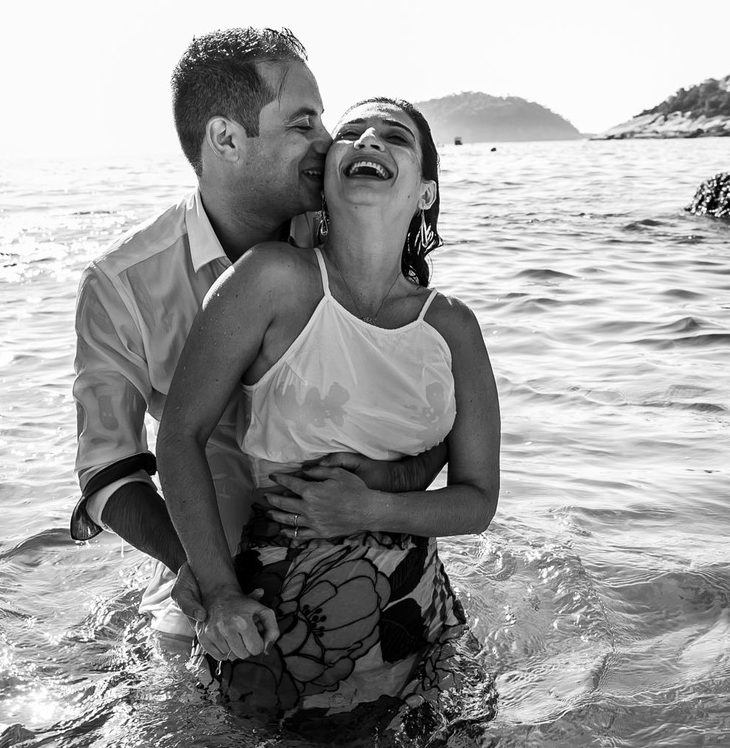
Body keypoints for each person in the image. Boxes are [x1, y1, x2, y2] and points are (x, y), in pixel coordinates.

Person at [70, 28, 446, 650]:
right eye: (304, 124)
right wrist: (205, 576)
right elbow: (107, 469)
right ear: (226, 139)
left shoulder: (354, 226)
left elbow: (428, 400)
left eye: (324, 120)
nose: (329, 143)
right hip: (214, 574)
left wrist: (386, 489)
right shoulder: (120, 285)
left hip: (358, 549)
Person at [156, 97, 500, 725]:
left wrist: (372, 508)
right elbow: (179, 436)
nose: (368, 141)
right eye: (351, 134)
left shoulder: (452, 326)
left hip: (417, 620)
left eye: (393, 137)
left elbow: (478, 500)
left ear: (424, 192)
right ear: (329, 171)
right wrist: (220, 592)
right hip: (272, 624)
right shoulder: (271, 279)